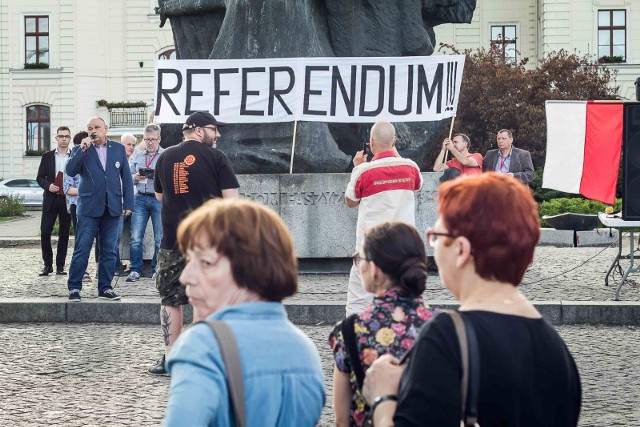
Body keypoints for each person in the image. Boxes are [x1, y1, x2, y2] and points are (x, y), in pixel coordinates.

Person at [362, 173, 582, 427]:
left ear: (461, 250)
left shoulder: (445, 337)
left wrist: (383, 396)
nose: (433, 247)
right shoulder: (557, 350)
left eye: (437, 236)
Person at [163, 198, 325, 426]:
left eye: (206, 263)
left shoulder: (203, 346)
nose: (185, 276)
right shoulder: (305, 350)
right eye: (189, 261)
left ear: (251, 268)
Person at [149, 111, 239, 375]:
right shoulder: (216, 157)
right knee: (210, 298)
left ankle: (171, 358)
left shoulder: (164, 157)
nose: (218, 134)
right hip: (207, 241)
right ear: (199, 130)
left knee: (169, 298)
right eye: (215, 129)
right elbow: (231, 202)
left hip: (172, 239)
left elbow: (158, 195)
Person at [329, 222, 434, 427]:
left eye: (360, 259)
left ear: (374, 270)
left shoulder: (349, 332)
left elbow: (341, 421)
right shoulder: (445, 326)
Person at [344, 121, 422, 315]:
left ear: (371, 143)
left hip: (370, 251)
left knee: (358, 305)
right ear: (394, 141)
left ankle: (355, 343)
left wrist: (357, 168)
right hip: (403, 252)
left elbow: (350, 201)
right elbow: (417, 186)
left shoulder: (364, 171)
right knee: (404, 305)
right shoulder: (411, 167)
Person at [65, 117, 134, 302]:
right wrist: (81, 148)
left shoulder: (118, 149)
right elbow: (70, 170)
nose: (93, 131)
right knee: (82, 249)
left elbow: (126, 178)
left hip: (112, 207)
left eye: (97, 127)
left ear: (106, 129)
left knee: (110, 250)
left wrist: (128, 203)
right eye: (90, 128)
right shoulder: (82, 149)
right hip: (88, 207)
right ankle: (74, 287)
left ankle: (105, 287)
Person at [126, 125, 164, 282]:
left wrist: (158, 178)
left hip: (158, 199)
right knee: (135, 237)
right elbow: (127, 177)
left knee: (160, 238)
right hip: (140, 198)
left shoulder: (166, 155)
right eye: (147, 139)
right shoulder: (137, 155)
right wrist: (136, 177)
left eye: (153, 140)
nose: (149, 143)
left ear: (159, 139)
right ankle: (135, 269)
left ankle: (157, 269)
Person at [36, 126, 72, 276]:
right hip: (50, 199)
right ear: (56, 138)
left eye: (66, 136)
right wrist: (48, 185)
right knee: (45, 232)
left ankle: (60, 266)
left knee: (64, 234)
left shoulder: (74, 156)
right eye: (61, 136)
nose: (64, 139)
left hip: (67, 199)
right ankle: (47, 265)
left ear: (70, 138)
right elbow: (39, 178)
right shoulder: (47, 156)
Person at [64, 131, 97, 284]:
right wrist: (88, 190)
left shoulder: (93, 160)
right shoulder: (71, 161)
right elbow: (67, 188)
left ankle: (100, 269)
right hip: (78, 207)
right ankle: (81, 272)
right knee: (82, 242)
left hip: (94, 206)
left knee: (100, 240)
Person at [114, 132, 138, 276]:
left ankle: (120, 264)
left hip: (132, 203)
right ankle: (114, 266)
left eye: (133, 145)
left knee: (133, 237)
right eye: (128, 144)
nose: (131, 147)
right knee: (114, 237)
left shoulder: (133, 160)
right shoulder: (117, 160)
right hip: (119, 204)